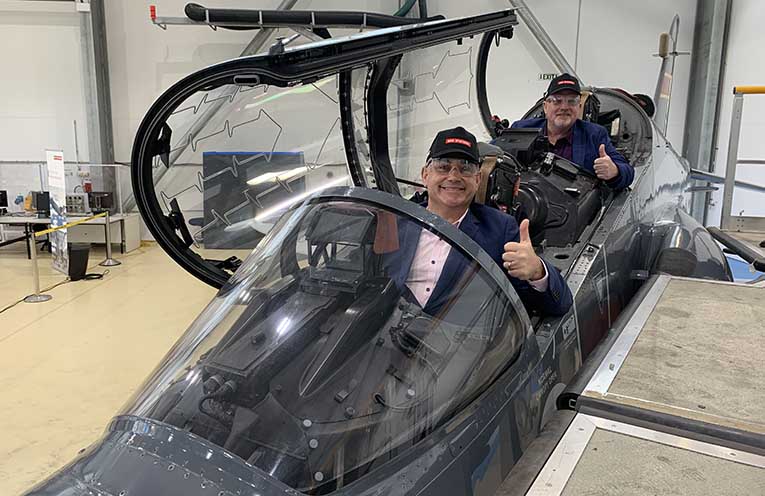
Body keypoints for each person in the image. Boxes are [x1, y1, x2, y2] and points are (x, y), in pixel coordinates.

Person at [385, 126, 572, 317]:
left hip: (455, 334)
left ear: (478, 179)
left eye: (465, 168)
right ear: (425, 175)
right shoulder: (395, 221)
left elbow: (560, 305)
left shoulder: (500, 230)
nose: (454, 176)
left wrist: (538, 271)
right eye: (443, 167)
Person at [511, 73, 634, 190]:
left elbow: (628, 172)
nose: (564, 107)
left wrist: (615, 171)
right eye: (557, 101)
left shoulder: (594, 135)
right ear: (545, 106)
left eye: (572, 101)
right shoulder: (521, 130)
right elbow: (500, 158)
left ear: (579, 107)